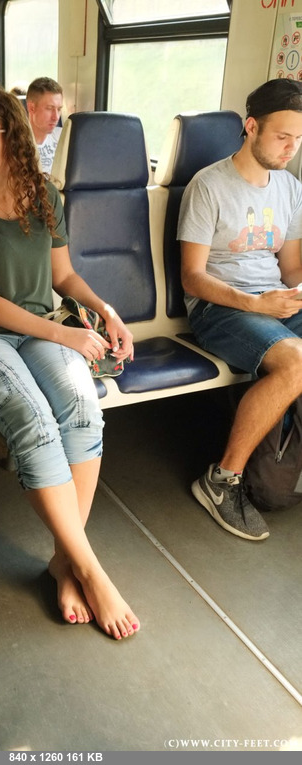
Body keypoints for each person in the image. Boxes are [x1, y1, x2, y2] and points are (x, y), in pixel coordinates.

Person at [0, 87, 139, 640]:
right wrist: (64, 333)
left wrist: (106, 312)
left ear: (13, 140)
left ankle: (63, 562)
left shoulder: (45, 195)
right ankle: (90, 571)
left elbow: (62, 276)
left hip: (34, 331)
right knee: (33, 419)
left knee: (83, 409)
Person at [178, 78, 302, 542]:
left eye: (299, 139)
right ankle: (221, 479)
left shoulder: (290, 187)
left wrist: (290, 294)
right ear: (252, 127)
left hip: (275, 300)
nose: (292, 148)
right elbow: (192, 277)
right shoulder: (208, 186)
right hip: (221, 308)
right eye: (282, 136)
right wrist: (255, 303)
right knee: (296, 362)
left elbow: (291, 269)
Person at [26, 77, 63, 174]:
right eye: (49, 108)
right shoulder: (15, 142)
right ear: (31, 108)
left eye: (59, 109)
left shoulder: (64, 137)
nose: (56, 117)